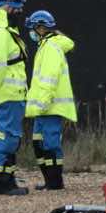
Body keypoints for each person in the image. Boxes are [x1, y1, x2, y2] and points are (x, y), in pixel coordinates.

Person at [0, 0, 31, 196]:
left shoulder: (6, 31)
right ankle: (0, 182)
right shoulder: (0, 33)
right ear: (7, 7)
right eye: (17, 8)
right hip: (7, 94)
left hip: (14, 94)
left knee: (12, 138)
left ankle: (8, 179)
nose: (19, 12)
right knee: (5, 137)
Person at [23, 11, 75, 191]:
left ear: (41, 28)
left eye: (32, 28)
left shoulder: (51, 47)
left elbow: (49, 78)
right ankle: (49, 181)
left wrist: (42, 103)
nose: (31, 32)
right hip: (43, 106)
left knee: (50, 144)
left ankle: (55, 182)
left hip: (50, 106)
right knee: (38, 142)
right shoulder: (45, 46)